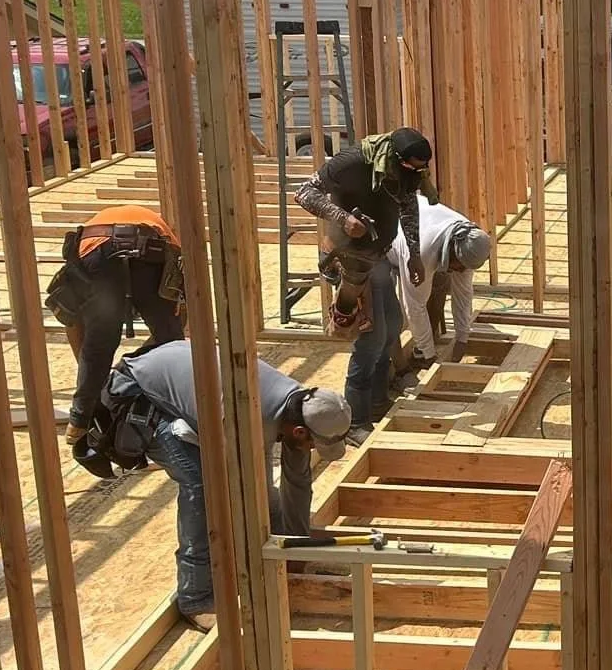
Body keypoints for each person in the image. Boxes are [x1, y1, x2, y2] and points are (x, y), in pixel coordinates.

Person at [100, 339, 351, 629]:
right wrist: (279, 550)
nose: (310, 450)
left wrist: (296, 548)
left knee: (252, 494)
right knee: (204, 485)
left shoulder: (298, 403)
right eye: (313, 444)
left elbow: (297, 481)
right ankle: (194, 597)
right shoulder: (246, 419)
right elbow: (251, 491)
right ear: (298, 431)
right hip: (139, 396)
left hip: (181, 379)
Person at [293, 127, 433, 430]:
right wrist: (343, 218)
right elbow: (304, 192)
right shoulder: (353, 162)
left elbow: (408, 208)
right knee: (371, 340)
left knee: (393, 325)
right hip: (347, 259)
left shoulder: (406, 170)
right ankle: (356, 421)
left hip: (376, 255)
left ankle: (378, 400)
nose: (415, 173)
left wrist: (415, 254)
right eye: (410, 167)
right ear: (395, 158)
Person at [45, 204, 185, 446]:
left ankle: (78, 423)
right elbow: (179, 313)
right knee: (169, 342)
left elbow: (73, 322)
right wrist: (166, 343)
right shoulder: (169, 239)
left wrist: (92, 372)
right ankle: (176, 412)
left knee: (99, 341)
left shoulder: (76, 278)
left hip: (95, 249)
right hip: (151, 248)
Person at [390, 196, 494, 367]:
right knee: (389, 312)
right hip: (384, 243)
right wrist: (430, 356)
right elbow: (414, 307)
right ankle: (400, 361)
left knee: (441, 282)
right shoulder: (423, 252)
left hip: (417, 232)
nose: (461, 271)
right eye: (460, 266)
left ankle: (424, 344)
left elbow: (463, 295)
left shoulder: (469, 240)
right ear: (453, 250)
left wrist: (462, 338)